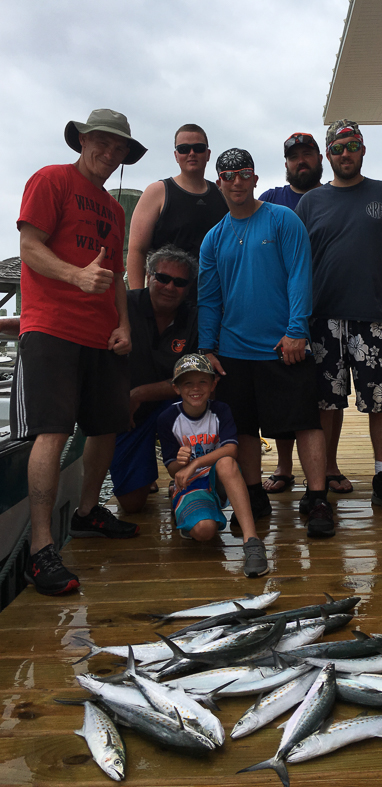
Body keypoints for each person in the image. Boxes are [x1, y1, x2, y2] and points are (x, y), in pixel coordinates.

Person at [11, 108, 147, 595]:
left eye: (119, 149)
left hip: (102, 337)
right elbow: (29, 246)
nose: (110, 154)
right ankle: (41, 549)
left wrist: (125, 325)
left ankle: (88, 513)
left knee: (107, 425)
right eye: (102, 143)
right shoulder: (51, 180)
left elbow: (116, 278)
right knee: (52, 431)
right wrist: (74, 276)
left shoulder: (113, 210)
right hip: (51, 328)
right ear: (82, 141)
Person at [197, 148, 335, 538]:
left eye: (244, 174)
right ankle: (254, 495)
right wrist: (208, 348)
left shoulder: (282, 219)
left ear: (255, 179)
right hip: (232, 351)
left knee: (306, 423)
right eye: (228, 175)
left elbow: (299, 276)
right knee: (245, 428)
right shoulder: (213, 238)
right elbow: (208, 298)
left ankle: (318, 495)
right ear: (219, 182)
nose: (236, 182)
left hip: (283, 346)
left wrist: (297, 331)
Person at [295, 119, 382, 515]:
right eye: (337, 148)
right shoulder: (310, 202)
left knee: (381, 402)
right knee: (325, 404)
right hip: (322, 320)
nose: (345, 154)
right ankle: (324, 476)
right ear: (328, 155)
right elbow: (297, 265)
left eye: (352, 146)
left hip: (377, 317)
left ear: (362, 149)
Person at [258, 133, 346, 494]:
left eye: (307, 154)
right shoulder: (269, 200)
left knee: (330, 392)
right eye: (294, 156)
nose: (301, 161)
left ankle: (329, 464)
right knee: (285, 391)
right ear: (286, 164)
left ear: (320, 158)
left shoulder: (335, 196)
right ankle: (283, 466)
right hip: (280, 314)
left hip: (326, 309)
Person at [157, 354, 269, 578]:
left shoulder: (221, 411)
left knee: (227, 463)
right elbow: (173, 470)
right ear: (176, 388)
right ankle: (184, 501)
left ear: (213, 384)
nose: (195, 389)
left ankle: (252, 541)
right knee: (204, 531)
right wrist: (181, 463)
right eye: (187, 383)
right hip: (190, 482)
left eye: (202, 382)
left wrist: (195, 462)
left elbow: (231, 450)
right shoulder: (167, 419)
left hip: (218, 478)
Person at [109, 245, 199, 513]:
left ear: (188, 288)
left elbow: (195, 378)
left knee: (204, 401)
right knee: (132, 505)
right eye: (162, 278)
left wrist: (138, 394)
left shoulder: (196, 318)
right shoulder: (123, 306)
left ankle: (188, 480)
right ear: (148, 276)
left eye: (180, 282)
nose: (170, 287)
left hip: (172, 407)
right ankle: (146, 473)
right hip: (128, 414)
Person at [126, 124, 228, 290]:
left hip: (212, 298)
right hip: (166, 297)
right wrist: (137, 299)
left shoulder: (222, 194)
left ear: (208, 154)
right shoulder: (158, 192)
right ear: (176, 155)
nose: (191, 153)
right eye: (184, 149)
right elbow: (137, 250)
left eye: (199, 148)